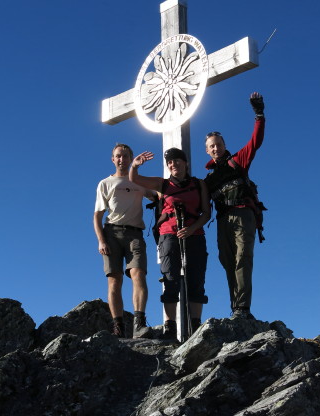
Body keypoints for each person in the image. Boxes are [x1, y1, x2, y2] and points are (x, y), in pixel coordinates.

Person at [129, 147, 211, 341]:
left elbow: (206, 212)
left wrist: (192, 229)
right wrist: (135, 165)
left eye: (177, 161)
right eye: (170, 162)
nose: (173, 164)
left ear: (186, 163)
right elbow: (134, 179)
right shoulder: (162, 184)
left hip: (195, 234)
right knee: (170, 278)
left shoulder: (199, 184)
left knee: (196, 279)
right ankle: (170, 328)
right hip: (169, 235)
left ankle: (195, 326)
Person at [203, 92, 265, 320]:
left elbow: (255, 142)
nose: (216, 148)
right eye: (212, 146)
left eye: (218, 144)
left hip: (242, 215)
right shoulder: (208, 180)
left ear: (224, 145)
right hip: (222, 220)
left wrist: (259, 115)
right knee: (228, 261)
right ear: (207, 150)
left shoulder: (237, 160)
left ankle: (242, 308)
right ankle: (236, 307)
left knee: (243, 258)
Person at [94, 143, 154, 338]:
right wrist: (101, 241)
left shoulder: (138, 182)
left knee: (138, 274)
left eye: (126, 156)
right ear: (113, 159)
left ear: (131, 158)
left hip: (135, 234)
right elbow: (97, 216)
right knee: (114, 280)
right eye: (118, 156)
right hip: (111, 234)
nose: (122, 159)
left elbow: (157, 196)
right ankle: (118, 326)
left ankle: (139, 323)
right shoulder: (105, 183)